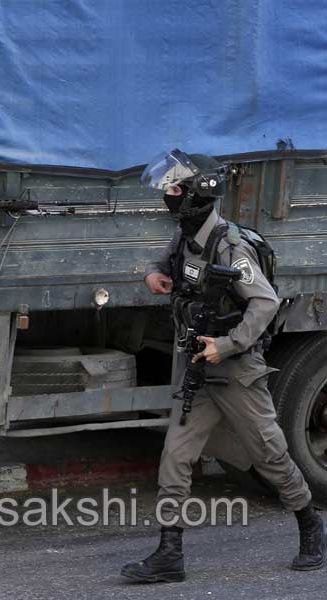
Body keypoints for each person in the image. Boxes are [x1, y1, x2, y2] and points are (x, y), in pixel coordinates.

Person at [121, 149, 326, 583]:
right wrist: (153, 276)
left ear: (198, 193)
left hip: (236, 372)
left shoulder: (230, 246)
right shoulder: (186, 233)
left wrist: (229, 345)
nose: (168, 198)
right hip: (198, 367)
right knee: (175, 456)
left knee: (270, 456)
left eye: (175, 189)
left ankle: (311, 525)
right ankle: (169, 553)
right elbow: (167, 264)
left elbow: (266, 301)